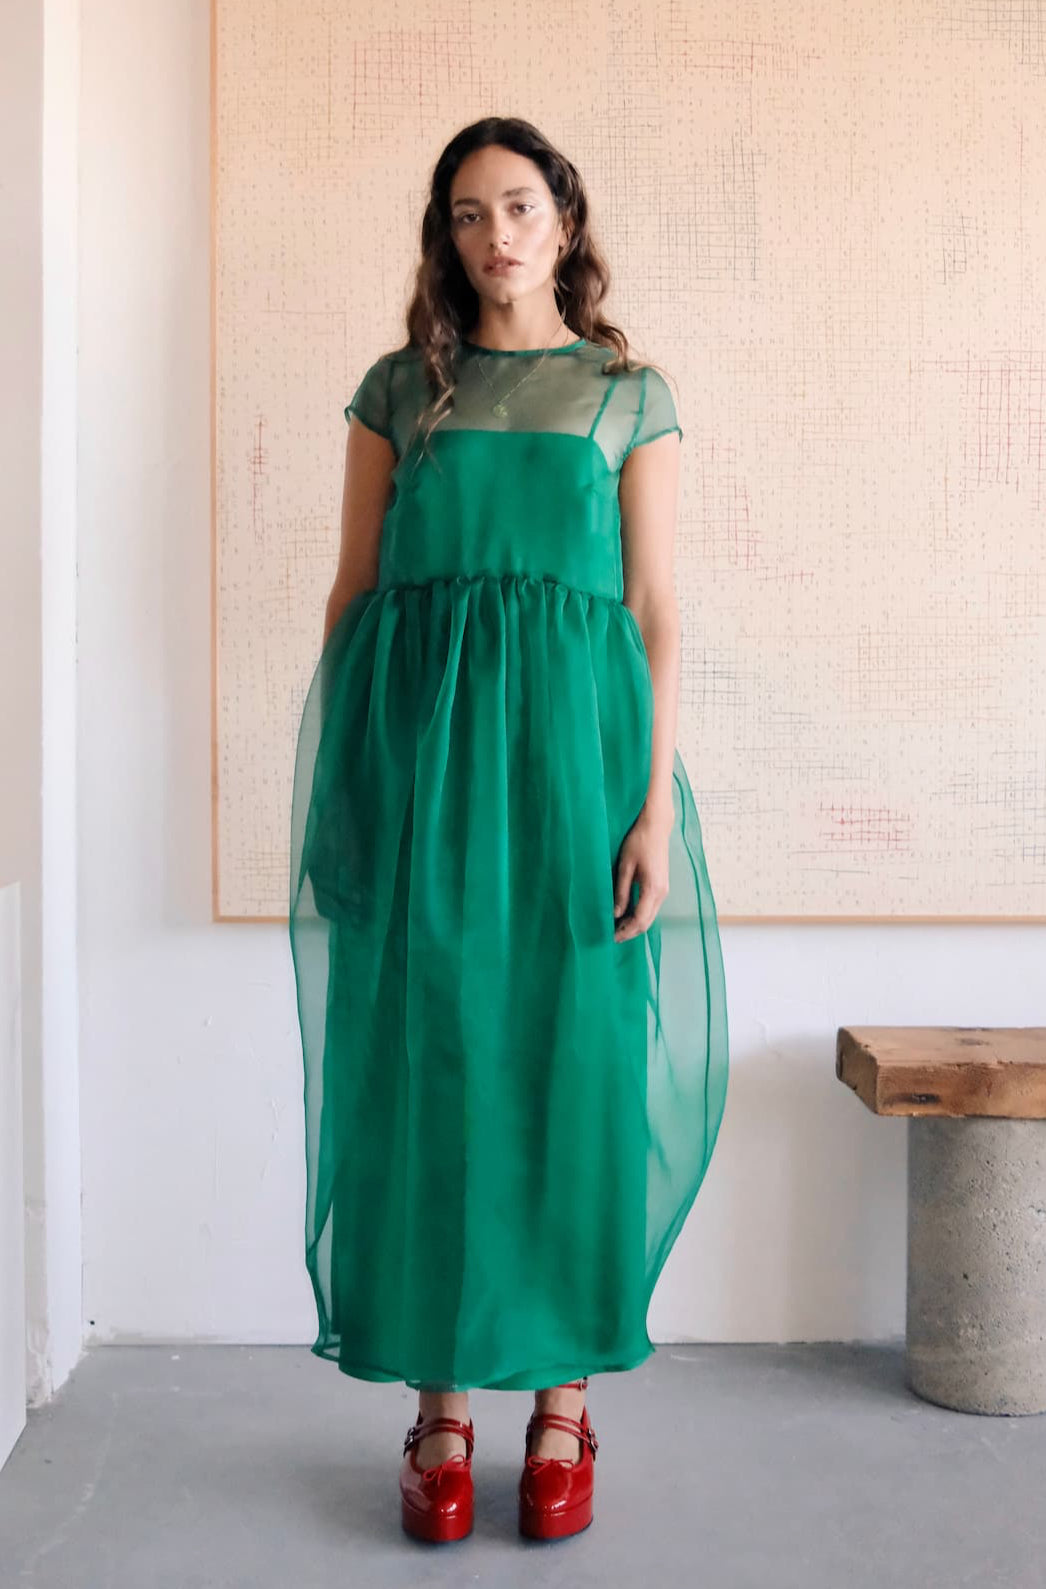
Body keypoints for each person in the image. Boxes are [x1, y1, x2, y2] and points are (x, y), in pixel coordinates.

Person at [287, 115, 729, 1544]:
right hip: (421, 770)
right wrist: (343, 784)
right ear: (446, 234)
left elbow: (654, 611)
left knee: (567, 1066)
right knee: (427, 1067)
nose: (496, 234)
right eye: (469, 212)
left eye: (519, 205)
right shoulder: (393, 392)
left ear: (564, 219)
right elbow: (354, 599)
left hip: (574, 779)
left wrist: (648, 807)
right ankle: (437, 1411)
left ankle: (561, 1404)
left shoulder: (625, 391)